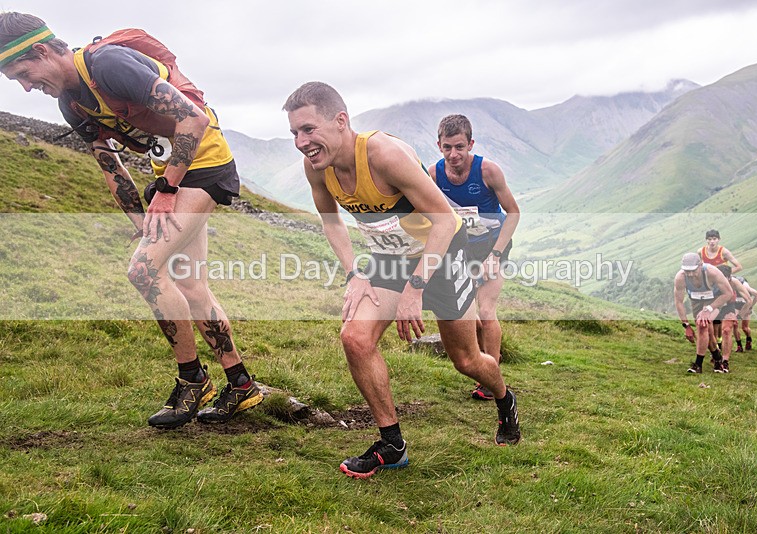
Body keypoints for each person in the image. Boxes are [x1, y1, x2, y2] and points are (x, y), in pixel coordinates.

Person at [0, 13, 262, 428]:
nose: (27, 87)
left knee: (143, 269)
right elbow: (112, 167)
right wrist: (140, 219)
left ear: (41, 50)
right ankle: (242, 385)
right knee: (191, 284)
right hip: (170, 172)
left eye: (23, 74)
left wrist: (168, 191)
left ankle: (193, 381)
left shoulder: (108, 65)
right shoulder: (70, 102)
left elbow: (193, 118)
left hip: (204, 162)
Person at [283, 82, 521, 478]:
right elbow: (331, 220)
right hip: (390, 257)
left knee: (466, 359)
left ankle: (503, 397)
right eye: (294, 133)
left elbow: (446, 218)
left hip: (442, 254)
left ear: (340, 121)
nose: (301, 142)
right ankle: (392, 444)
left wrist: (416, 287)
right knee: (355, 338)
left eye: (308, 129)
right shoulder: (316, 167)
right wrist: (354, 274)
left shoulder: (383, 155)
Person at [428, 114, 520, 401]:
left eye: (459, 147)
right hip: (461, 251)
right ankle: (484, 365)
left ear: (470, 144)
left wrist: (495, 255)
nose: (453, 155)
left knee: (486, 310)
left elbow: (514, 213)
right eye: (447, 148)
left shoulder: (488, 171)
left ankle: (492, 382)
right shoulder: (433, 174)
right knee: (468, 315)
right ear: (439, 145)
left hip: (493, 245)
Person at [673, 252, 735, 373]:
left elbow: (728, 293)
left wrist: (709, 309)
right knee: (708, 331)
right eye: (687, 271)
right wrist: (686, 325)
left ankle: (698, 364)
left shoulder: (712, 272)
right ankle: (717, 358)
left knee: (702, 325)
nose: (690, 274)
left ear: (700, 265)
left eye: (693, 271)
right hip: (696, 301)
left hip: (715, 299)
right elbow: (679, 302)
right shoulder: (680, 277)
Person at [697, 229, 743, 351]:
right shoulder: (701, 252)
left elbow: (739, 266)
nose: (712, 242)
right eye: (710, 239)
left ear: (718, 239)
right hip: (708, 286)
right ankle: (713, 343)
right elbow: (699, 267)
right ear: (706, 240)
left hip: (722, 287)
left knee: (721, 316)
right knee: (708, 315)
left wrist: (723, 276)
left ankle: (720, 342)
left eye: (714, 239)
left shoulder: (724, 252)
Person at [716, 265, 753, 372]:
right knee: (712, 332)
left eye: (726, 279)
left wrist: (739, 316)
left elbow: (749, 300)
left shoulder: (735, 282)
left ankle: (725, 361)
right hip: (714, 306)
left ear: (729, 277)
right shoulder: (712, 279)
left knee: (727, 331)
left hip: (728, 306)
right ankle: (715, 353)